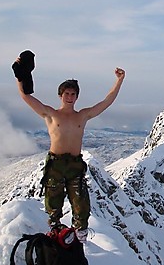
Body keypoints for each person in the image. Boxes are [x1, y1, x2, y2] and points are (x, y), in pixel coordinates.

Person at [13, 54, 125, 242]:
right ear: (61, 95)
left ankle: (80, 235)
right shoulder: (50, 114)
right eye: (67, 93)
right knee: (53, 202)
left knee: (81, 202)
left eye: (73, 94)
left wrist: (119, 81)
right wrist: (20, 75)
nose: (70, 97)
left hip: (75, 165)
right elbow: (26, 96)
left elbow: (107, 101)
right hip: (55, 164)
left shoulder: (82, 116)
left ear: (77, 96)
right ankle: (55, 231)